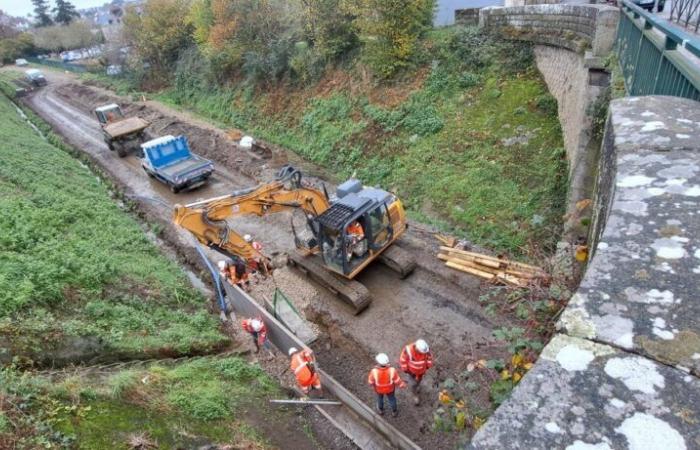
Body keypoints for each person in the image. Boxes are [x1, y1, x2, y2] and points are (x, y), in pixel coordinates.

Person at [368, 353, 406, 417]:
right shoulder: (392, 370)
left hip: (379, 390)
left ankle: (380, 410)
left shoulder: (374, 372)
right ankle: (394, 411)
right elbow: (397, 380)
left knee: (380, 399)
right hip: (390, 389)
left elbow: (370, 382)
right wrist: (402, 384)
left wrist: (372, 384)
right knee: (392, 399)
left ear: (378, 363)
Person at [399, 339, 433, 405]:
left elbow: (430, 358)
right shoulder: (408, 350)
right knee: (412, 384)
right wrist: (406, 370)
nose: (423, 354)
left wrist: (427, 366)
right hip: (411, 371)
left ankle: (417, 385)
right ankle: (415, 395)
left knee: (419, 380)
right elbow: (402, 360)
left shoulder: (426, 350)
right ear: (417, 349)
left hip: (421, 371)